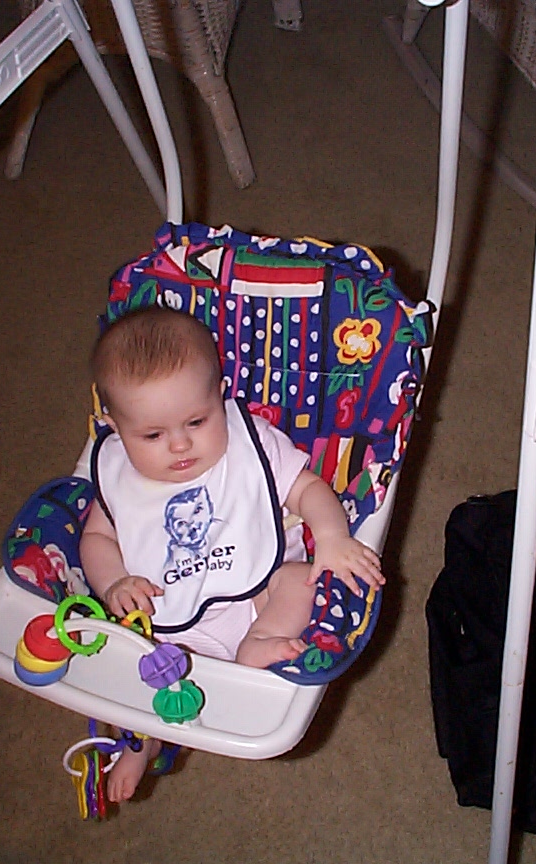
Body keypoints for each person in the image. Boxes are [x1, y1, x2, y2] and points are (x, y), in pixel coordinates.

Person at [79, 305, 384, 803]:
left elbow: (306, 487)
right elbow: (97, 539)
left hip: (260, 599)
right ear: (114, 427)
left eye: (197, 421)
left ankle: (257, 646)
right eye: (152, 435)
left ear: (220, 395)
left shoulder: (251, 443)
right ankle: (142, 738)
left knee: (300, 579)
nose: (180, 444)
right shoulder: (118, 474)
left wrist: (331, 535)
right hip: (165, 621)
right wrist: (115, 582)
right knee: (129, 659)